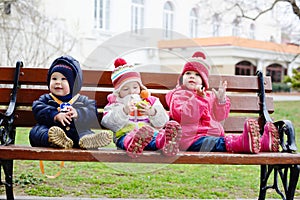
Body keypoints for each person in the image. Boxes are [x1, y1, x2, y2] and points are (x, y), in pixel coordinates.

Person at [165, 51, 279, 153]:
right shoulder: (178, 94)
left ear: (204, 81)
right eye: (188, 73)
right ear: (181, 78)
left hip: (211, 135)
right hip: (190, 139)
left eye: (197, 75)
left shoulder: (209, 95)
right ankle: (244, 143)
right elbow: (183, 116)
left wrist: (221, 100)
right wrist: (198, 99)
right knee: (220, 142)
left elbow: (220, 117)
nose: (192, 77)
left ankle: (263, 144)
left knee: (220, 141)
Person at [101, 58, 182, 158]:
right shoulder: (115, 104)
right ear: (118, 92)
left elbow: (163, 121)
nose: (131, 92)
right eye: (126, 89)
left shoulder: (150, 101)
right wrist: (124, 111)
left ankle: (166, 143)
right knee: (127, 138)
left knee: (156, 137)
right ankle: (133, 144)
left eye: (135, 87)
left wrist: (152, 112)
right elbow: (107, 123)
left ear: (140, 88)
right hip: (124, 135)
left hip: (150, 134)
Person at [29, 55, 112, 149]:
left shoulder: (81, 100)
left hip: (76, 132)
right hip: (51, 129)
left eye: (63, 79)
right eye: (54, 78)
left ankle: (88, 141)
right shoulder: (46, 99)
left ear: (73, 84)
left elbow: (92, 111)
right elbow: (37, 108)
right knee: (36, 132)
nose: (57, 82)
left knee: (84, 132)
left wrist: (78, 113)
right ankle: (52, 139)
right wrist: (55, 115)